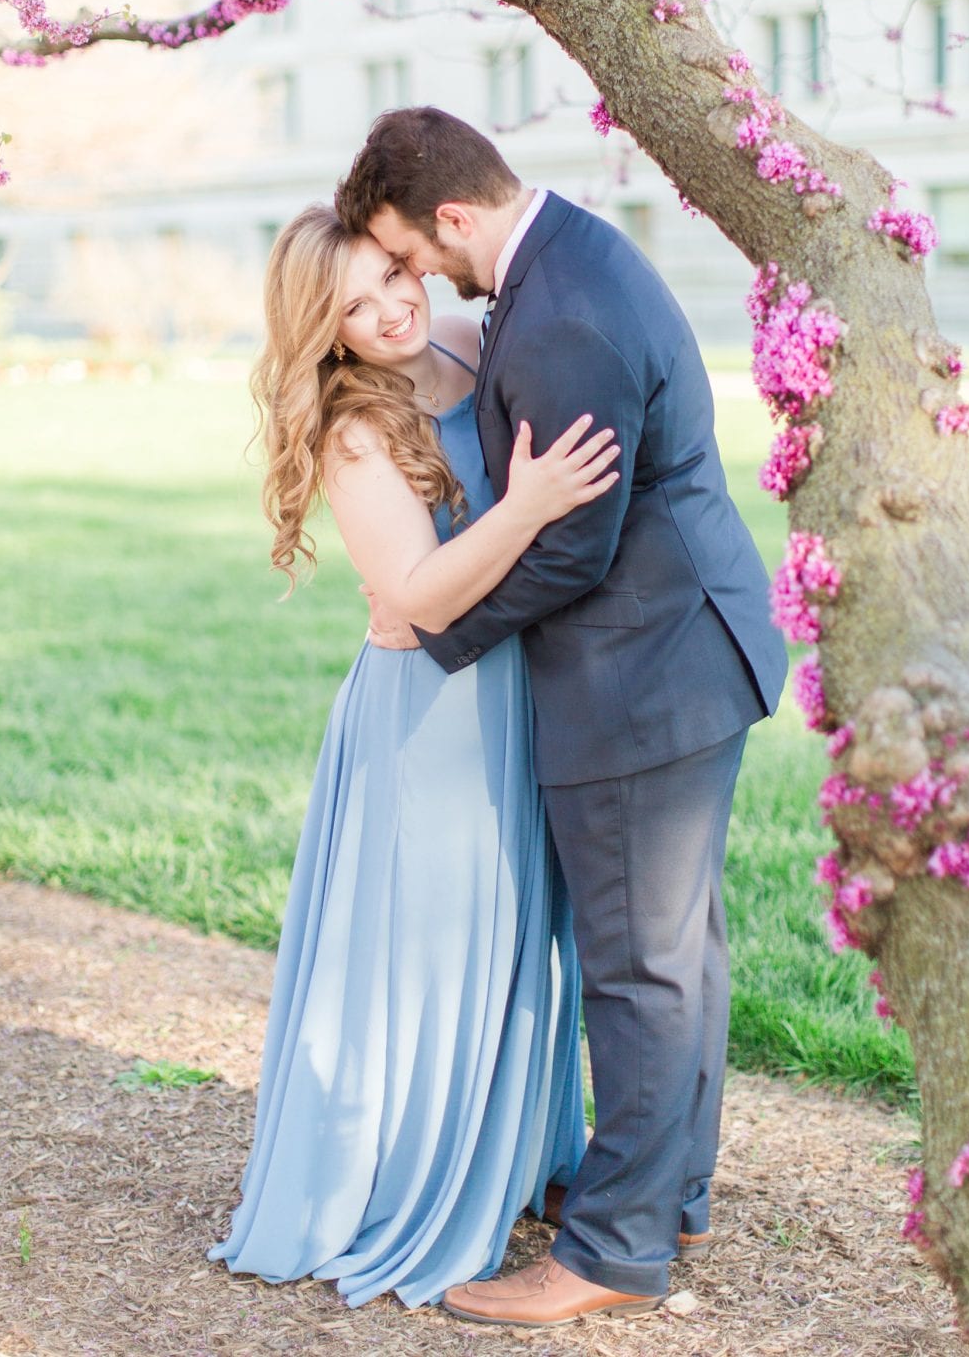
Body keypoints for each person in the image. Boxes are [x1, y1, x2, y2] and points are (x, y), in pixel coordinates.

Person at [335, 107, 789, 1330]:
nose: (418, 279)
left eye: (410, 253)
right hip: (688, 650)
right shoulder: (567, 259)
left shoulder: (562, 313)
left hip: (643, 671)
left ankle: (611, 1252)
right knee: (677, 951)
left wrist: (435, 629)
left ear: (454, 218)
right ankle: (666, 1190)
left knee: (638, 967)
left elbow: (575, 549)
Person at [208, 203, 620, 1309]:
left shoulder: (473, 347)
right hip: (430, 715)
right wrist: (529, 505)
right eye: (355, 305)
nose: (392, 309)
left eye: (395, 276)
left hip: (515, 696)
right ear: (324, 331)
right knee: (430, 945)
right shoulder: (353, 427)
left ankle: (506, 1149)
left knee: (511, 928)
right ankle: (399, 1170)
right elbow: (416, 596)